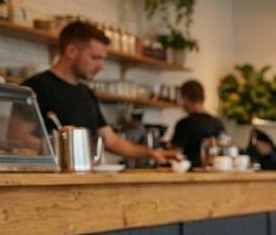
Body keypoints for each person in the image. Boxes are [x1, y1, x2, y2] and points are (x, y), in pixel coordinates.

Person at [15, 21, 176, 165]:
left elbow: (110, 140)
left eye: (103, 59)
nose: (101, 66)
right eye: (95, 58)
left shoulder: (86, 93)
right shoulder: (36, 87)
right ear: (71, 51)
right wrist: (68, 150)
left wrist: (150, 153)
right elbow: (17, 137)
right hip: (50, 185)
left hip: (86, 181)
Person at [168, 80, 225, 168]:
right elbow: (225, 146)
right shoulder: (217, 122)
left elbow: (175, 152)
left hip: (189, 172)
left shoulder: (184, 124)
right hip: (213, 172)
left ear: (184, 98)